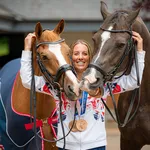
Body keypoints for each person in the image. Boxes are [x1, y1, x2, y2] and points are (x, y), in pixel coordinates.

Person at [20, 31, 145, 150]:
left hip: (96, 145)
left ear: (90, 57)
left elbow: (134, 81)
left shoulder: (102, 82)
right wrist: (27, 49)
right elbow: (27, 81)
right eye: (76, 53)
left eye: (84, 54)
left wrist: (139, 51)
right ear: (70, 57)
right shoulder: (57, 85)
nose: (80, 57)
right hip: (66, 145)